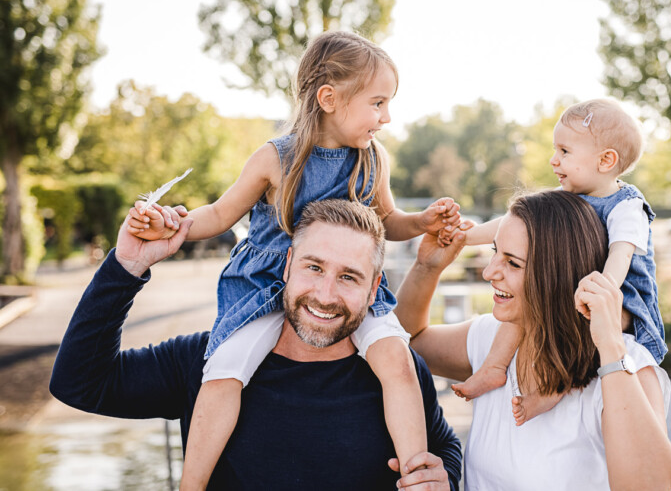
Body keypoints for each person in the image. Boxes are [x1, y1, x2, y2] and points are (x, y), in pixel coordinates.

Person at [125, 31, 461, 488]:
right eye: (377, 103)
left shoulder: (373, 160)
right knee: (225, 372)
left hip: (347, 289)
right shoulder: (276, 158)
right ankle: (192, 485)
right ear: (328, 98)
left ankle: (417, 476)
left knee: (397, 361)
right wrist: (172, 225)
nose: (386, 117)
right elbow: (222, 214)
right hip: (265, 286)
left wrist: (421, 221)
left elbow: (389, 222)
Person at [50, 199, 462, 490]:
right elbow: (80, 382)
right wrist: (128, 265)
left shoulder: (398, 371)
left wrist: (445, 476)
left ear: (375, 290)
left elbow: (443, 444)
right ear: (286, 266)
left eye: (348, 277)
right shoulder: (209, 360)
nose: (325, 293)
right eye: (313, 267)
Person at [396, 190, 671, 490]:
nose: (490, 271)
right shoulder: (493, 340)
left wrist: (609, 346)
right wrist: (428, 267)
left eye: (513, 263)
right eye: (495, 252)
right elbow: (405, 342)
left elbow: (651, 484)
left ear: (557, 275)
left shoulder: (626, 367)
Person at [451, 99, 667, 425]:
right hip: (573, 287)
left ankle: (554, 389)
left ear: (606, 160)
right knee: (524, 306)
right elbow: (513, 223)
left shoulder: (626, 206)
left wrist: (600, 294)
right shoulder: (567, 194)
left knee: (580, 330)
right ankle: (493, 368)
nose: (554, 160)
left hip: (621, 302)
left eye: (564, 151)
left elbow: (621, 255)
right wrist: (467, 237)